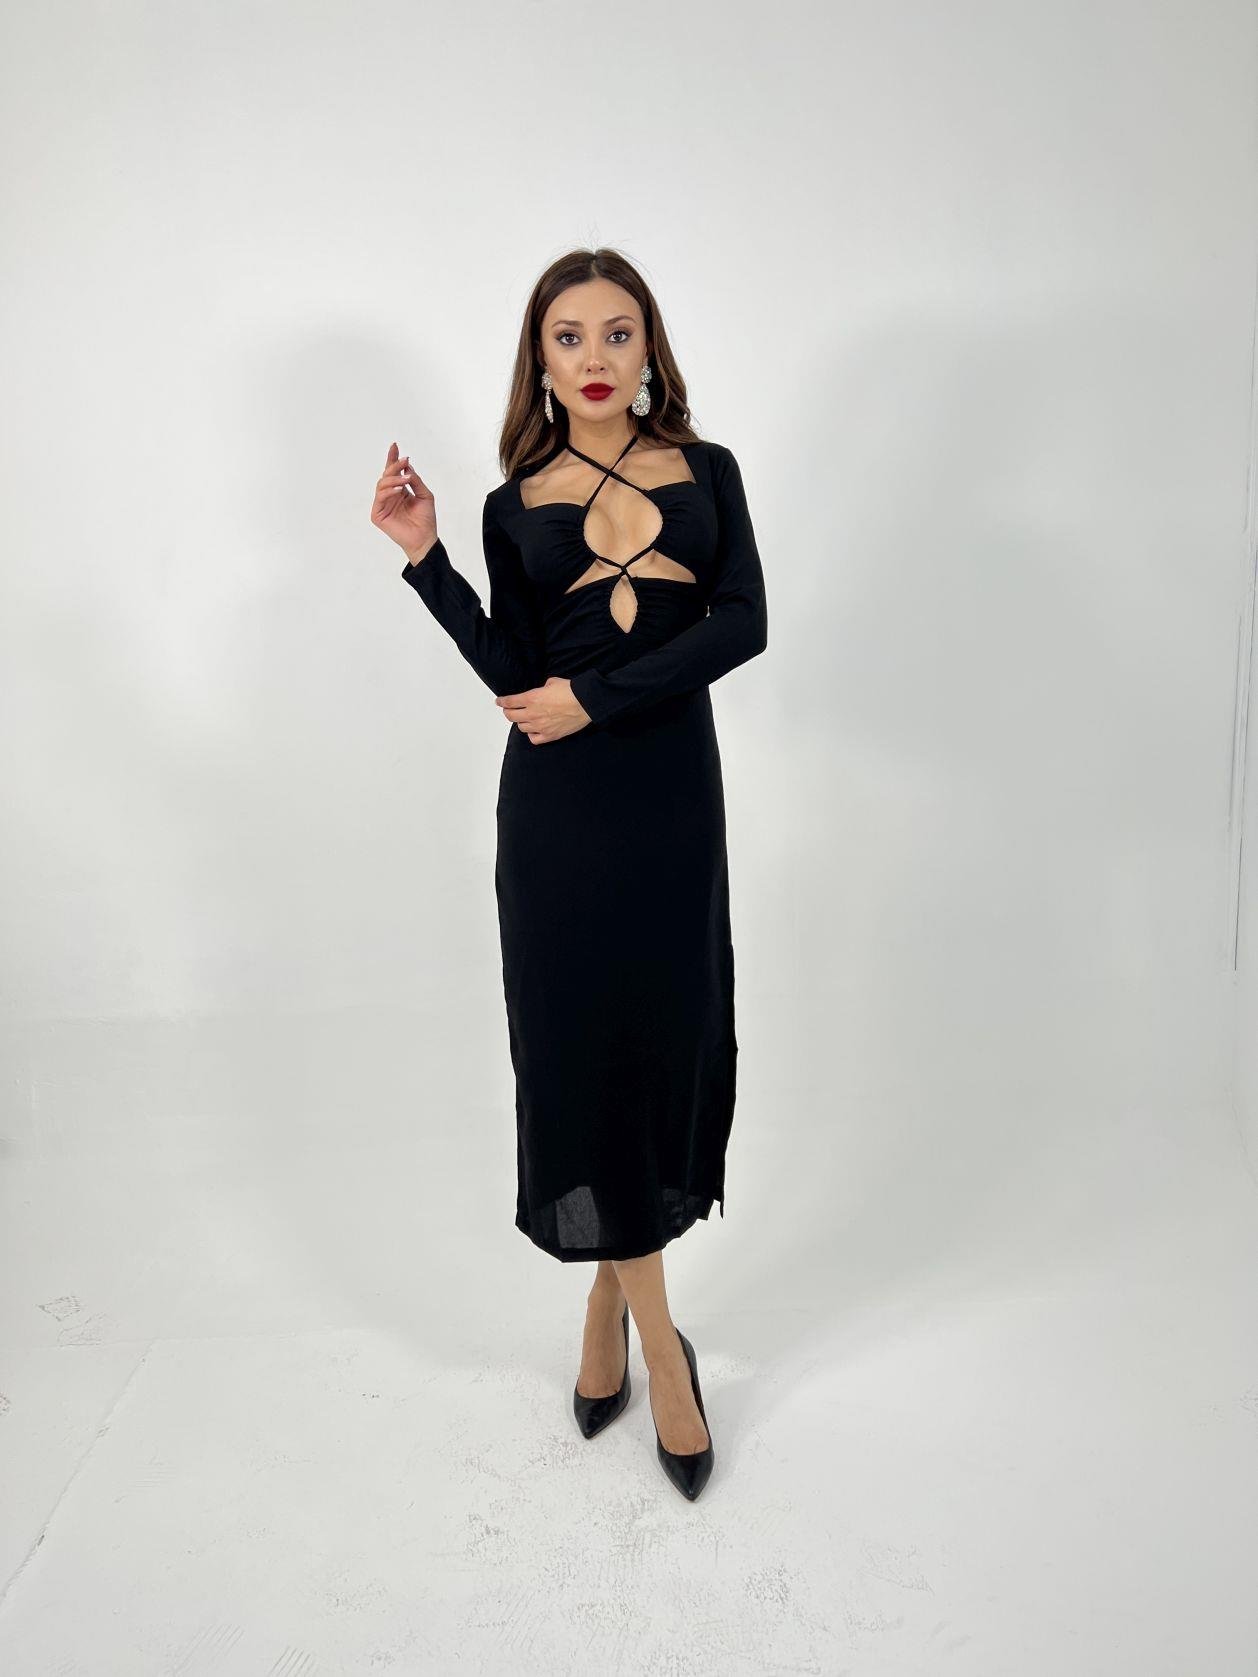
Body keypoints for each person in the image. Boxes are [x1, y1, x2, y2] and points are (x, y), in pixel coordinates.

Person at [370, 247, 768, 1500]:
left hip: (670, 805)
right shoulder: (512, 505)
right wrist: (426, 556)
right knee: (580, 1048)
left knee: (659, 1040)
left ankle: (606, 1308)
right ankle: (659, 1341)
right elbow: (515, 675)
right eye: (567, 337)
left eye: (616, 332)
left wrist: (596, 697)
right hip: (557, 819)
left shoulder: (708, 472)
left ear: (649, 348)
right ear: (538, 361)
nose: (594, 357)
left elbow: (742, 623)